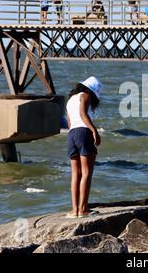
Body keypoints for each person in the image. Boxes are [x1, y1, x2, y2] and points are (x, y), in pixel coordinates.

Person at [65, 76, 102, 218]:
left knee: (75, 174)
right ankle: (84, 209)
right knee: (86, 172)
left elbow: (69, 121)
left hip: (71, 134)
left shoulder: (70, 100)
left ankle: (74, 211)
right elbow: (83, 114)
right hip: (83, 132)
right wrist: (94, 131)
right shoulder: (85, 96)